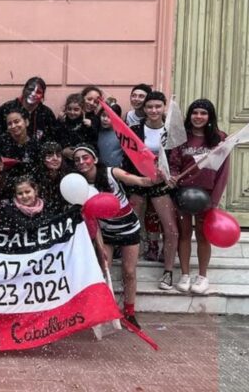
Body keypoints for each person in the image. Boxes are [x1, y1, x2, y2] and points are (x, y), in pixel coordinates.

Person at [72, 144, 161, 329]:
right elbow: (92, 221)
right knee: (103, 271)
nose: (82, 162)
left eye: (85, 157)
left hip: (129, 228)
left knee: (129, 272)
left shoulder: (112, 172)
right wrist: (100, 246)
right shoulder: (79, 186)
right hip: (106, 232)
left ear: (95, 159)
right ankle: (102, 312)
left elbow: (140, 181)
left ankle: (129, 313)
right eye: (77, 159)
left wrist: (156, 178)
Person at [169, 99, 229, 294]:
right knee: (184, 235)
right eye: (195, 113)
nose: (198, 117)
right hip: (183, 195)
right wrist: (172, 178)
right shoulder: (181, 137)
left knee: (203, 236)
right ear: (189, 115)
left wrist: (214, 200)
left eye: (203, 113)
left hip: (206, 197)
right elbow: (174, 164)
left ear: (209, 116)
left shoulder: (220, 139)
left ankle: (202, 277)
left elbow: (223, 171)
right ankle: (185, 275)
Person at [125, 91, 180, 289]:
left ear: (164, 107)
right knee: (129, 225)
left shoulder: (170, 130)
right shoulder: (134, 129)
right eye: (149, 107)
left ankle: (168, 272)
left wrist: (172, 174)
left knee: (171, 228)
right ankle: (128, 268)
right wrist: (136, 179)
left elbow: (177, 157)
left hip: (161, 184)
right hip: (139, 182)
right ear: (144, 109)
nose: (154, 110)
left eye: (158, 106)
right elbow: (128, 158)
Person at [0, 77, 60, 143]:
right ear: (24, 90)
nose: (33, 94)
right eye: (30, 89)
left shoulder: (47, 113)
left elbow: (53, 138)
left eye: (38, 92)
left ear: (42, 96)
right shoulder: (7, 108)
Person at [0, 108, 42, 177]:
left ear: (26, 122)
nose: (13, 126)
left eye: (16, 121)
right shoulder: (0, 142)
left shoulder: (36, 145)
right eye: (10, 124)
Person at [34, 142, 70, 209]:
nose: (55, 159)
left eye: (58, 155)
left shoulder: (69, 176)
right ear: (43, 160)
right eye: (49, 156)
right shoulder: (36, 178)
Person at [96, 102, 125, 167]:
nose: (105, 119)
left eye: (110, 117)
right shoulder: (97, 131)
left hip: (118, 171)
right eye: (103, 115)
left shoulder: (122, 134)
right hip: (102, 170)